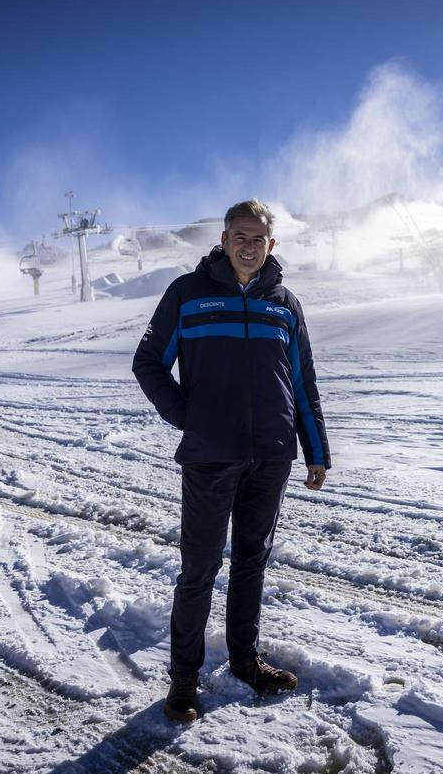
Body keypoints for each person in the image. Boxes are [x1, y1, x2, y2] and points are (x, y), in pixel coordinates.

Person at [132, 199, 331, 723]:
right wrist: (189, 417)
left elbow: (302, 381)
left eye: (258, 238)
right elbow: (149, 362)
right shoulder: (188, 294)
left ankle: (245, 660)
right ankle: (183, 680)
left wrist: (315, 449)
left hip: (271, 456)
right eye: (238, 236)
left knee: (251, 562)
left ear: (272, 245)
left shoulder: (284, 303)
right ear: (223, 240)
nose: (248, 246)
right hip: (209, 456)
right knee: (199, 568)